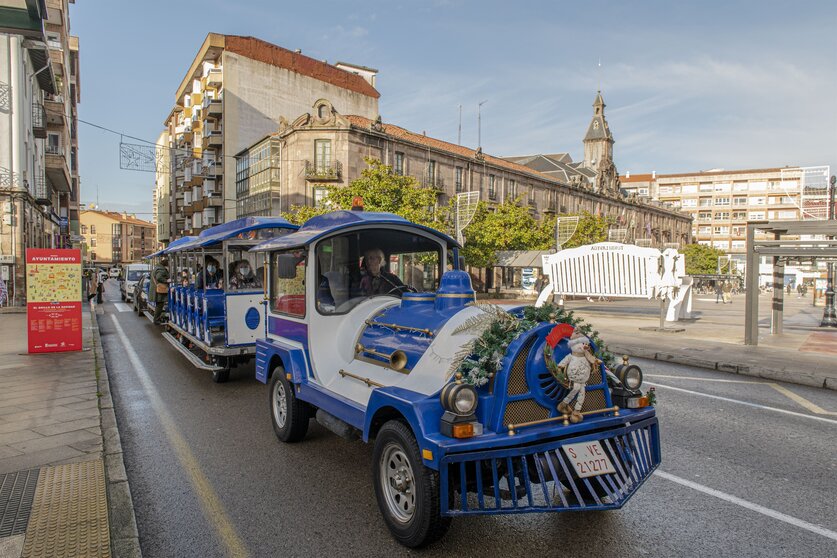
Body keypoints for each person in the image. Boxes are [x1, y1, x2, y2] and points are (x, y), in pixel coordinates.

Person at [152, 257, 170, 324]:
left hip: (156, 289)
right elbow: (159, 277)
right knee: (160, 304)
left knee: (159, 304)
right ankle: (156, 320)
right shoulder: (161, 269)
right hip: (160, 290)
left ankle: (157, 319)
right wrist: (167, 280)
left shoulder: (157, 267)